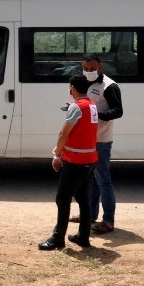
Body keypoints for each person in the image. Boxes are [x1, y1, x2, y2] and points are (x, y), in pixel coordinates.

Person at [39, 74, 99, 251]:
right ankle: (83, 236)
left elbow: (63, 134)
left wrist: (57, 154)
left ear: (72, 87)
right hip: (90, 160)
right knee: (83, 198)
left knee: (63, 198)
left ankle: (58, 238)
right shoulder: (92, 106)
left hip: (75, 162)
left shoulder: (76, 107)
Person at [72, 53, 123, 235]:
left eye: (92, 69)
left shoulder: (109, 86)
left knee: (103, 179)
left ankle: (108, 220)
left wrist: (96, 115)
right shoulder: (86, 83)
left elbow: (118, 111)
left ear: (100, 67)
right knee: (90, 179)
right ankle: (90, 215)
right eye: (85, 68)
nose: (88, 71)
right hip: (88, 139)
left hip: (101, 139)